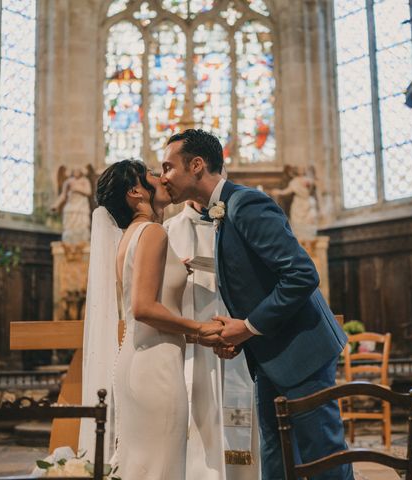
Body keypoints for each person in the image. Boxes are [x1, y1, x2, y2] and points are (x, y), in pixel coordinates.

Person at [160, 129, 353, 480]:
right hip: (272, 353)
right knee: (276, 457)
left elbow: (301, 275)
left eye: (168, 167)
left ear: (197, 165)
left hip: (302, 352)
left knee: (323, 459)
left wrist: (247, 327)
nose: (163, 177)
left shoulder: (246, 203)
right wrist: (243, 335)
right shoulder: (221, 210)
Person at [78, 159, 223, 480]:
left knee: (143, 467)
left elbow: (138, 302)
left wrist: (174, 268)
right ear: (135, 191)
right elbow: (143, 307)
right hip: (157, 366)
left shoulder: (129, 236)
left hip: (136, 359)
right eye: (154, 176)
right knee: (163, 467)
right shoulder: (154, 231)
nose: (163, 179)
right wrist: (201, 329)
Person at [165, 195, 260, 480]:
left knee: (239, 412)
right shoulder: (168, 231)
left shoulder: (239, 228)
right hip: (191, 346)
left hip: (238, 342)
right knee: (197, 417)